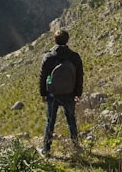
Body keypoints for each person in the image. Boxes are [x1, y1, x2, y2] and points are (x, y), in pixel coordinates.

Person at [39, 29, 84, 157]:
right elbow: (79, 76)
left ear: (54, 40)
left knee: (50, 121)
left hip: (52, 94)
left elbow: (43, 77)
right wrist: (78, 93)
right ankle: (76, 147)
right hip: (69, 93)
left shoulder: (49, 57)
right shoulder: (74, 57)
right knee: (71, 120)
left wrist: (43, 93)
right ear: (67, 40)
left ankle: (46, 150)